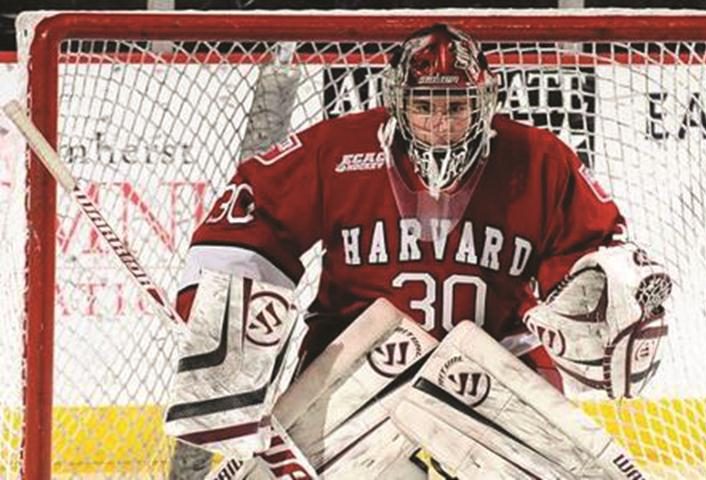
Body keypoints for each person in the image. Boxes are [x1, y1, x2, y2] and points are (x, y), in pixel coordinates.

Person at [169, 23, 669, 477]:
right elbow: (251, 216)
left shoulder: (537, 160)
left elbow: (589, 253)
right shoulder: (337, 150)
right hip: (358, 365)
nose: (439, 124)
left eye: (455, 107)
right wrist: (223, 314)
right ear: (397, 100)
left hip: (498, 363)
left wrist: (604, 298)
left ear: (483, 101)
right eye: (424, 105)